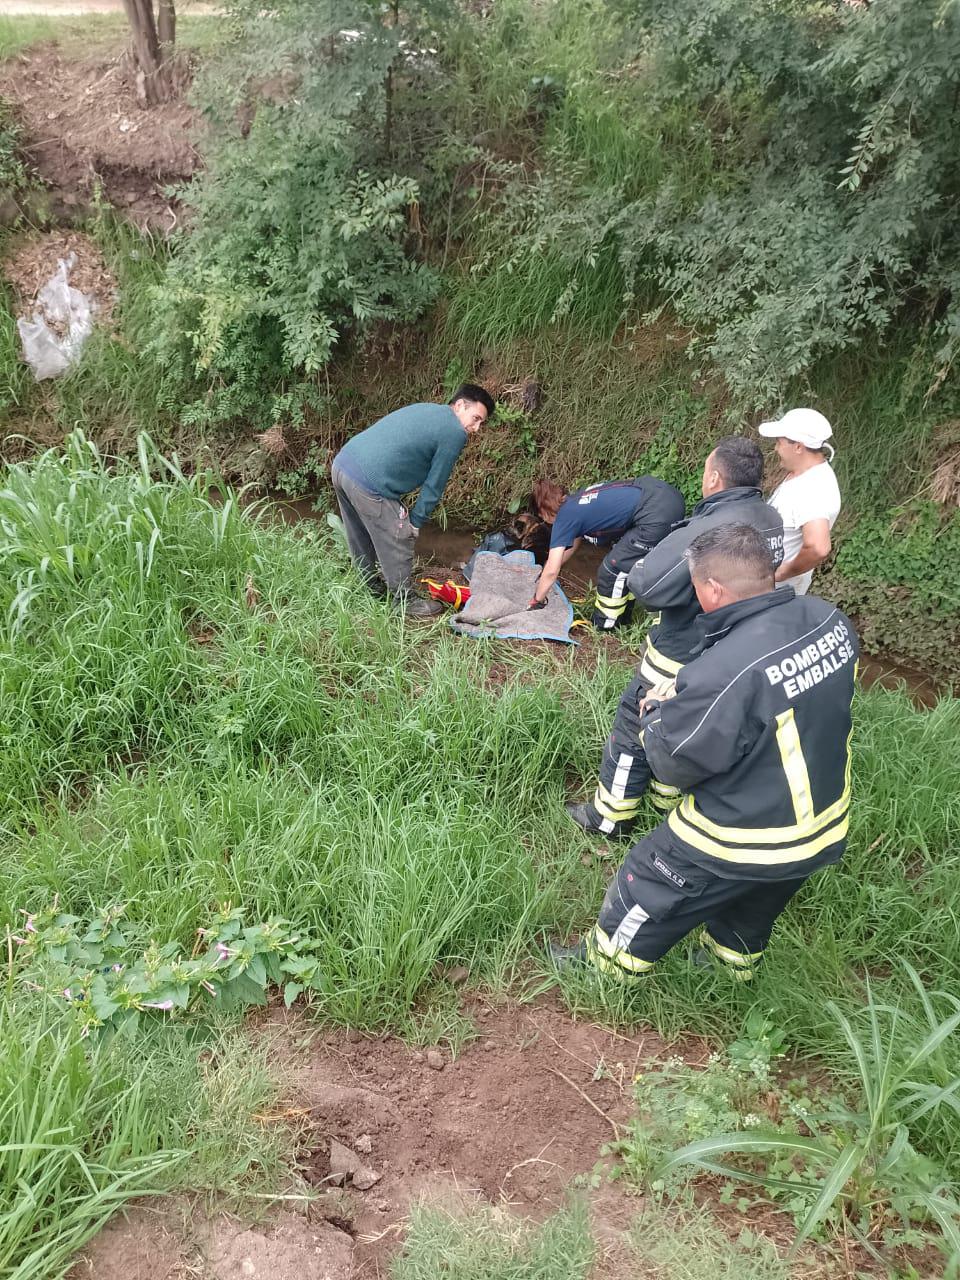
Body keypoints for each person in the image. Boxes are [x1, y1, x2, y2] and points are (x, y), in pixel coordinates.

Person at [552, 523, 858, 982]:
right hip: (824, 825)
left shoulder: (725, 669)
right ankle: (727, 972)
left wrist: (656, 712)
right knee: (753, 904)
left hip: (748, 835)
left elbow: (675, 764)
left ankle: (602, 971)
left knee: (647, 880)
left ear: (712, 589)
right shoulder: (828, 619)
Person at [566, 436, 784, 835]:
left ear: (715, 478)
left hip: (682, 647)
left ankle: (609, 818)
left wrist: (637, 570)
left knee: (637, 721)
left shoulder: (711, 528)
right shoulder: (769, 518)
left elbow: (648, 585)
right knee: (685, 725)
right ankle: (663, 804)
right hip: (733, 649)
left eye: (705, 472)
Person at [331, 384, 495, 618]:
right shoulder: (454, 432)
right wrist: (415, 523)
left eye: (481, 423)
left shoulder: (429, 410)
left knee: (359, 532)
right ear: (460, 405)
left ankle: (367, 584)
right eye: (476, 418)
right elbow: (434, 485)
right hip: (369, 482)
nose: (476, 428)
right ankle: (404, 600)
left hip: (343, 465)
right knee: (400, 534)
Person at [526, 476, 685, 628]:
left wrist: (536, 601)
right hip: (663, 495)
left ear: (544, 512)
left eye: (542, 519)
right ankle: (624, 618)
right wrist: (550, 564)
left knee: (612, 570)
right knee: (627, 564)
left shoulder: (563, 518)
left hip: (655, 513)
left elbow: (551, 573)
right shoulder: (576, 502)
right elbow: (573, 542)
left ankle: (605, 626)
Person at [758, 408, 841, 595]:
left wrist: (783, 573)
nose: (776, 448)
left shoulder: (813, 488)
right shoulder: (802, 474)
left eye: (779, 442)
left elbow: (819, 547)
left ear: (798, 447)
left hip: (774, 592)